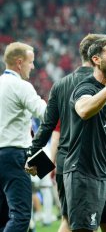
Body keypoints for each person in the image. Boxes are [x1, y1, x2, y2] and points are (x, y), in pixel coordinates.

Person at [29, 33, 106, 232]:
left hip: (67, 161)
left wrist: (36, 158)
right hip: (89, 164)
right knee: (82, 225)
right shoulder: (100, 86)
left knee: (69, 219)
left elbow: (49, 127)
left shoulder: (60, 84)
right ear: (96, 56)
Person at [63, 38, 106, 232]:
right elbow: (84, 110)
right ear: (96, 59)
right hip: (83, 173)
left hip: (105, 173)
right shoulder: (86, 88)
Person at [0, 42, 46, 231]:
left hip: (5, 153)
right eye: (31, 62)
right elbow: (45, 113)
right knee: (21, 216)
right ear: (19, 63)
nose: (33, 67)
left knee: (3, 217)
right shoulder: (21, 86)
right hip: (15, 154)